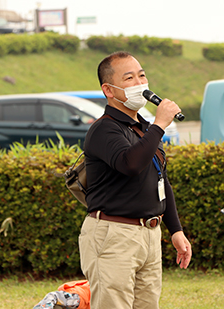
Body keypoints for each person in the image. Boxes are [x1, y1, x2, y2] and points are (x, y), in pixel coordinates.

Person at [79, 51, 192, 309]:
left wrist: (175, 230)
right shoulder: (104, 128)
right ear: (108, 89)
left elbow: (161, 180)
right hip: (113, 233)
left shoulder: (142, 128)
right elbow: (130, 164)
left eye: (142, 75)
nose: (140, 83)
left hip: (149, 234)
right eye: (129, 78)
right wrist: (160, 124)